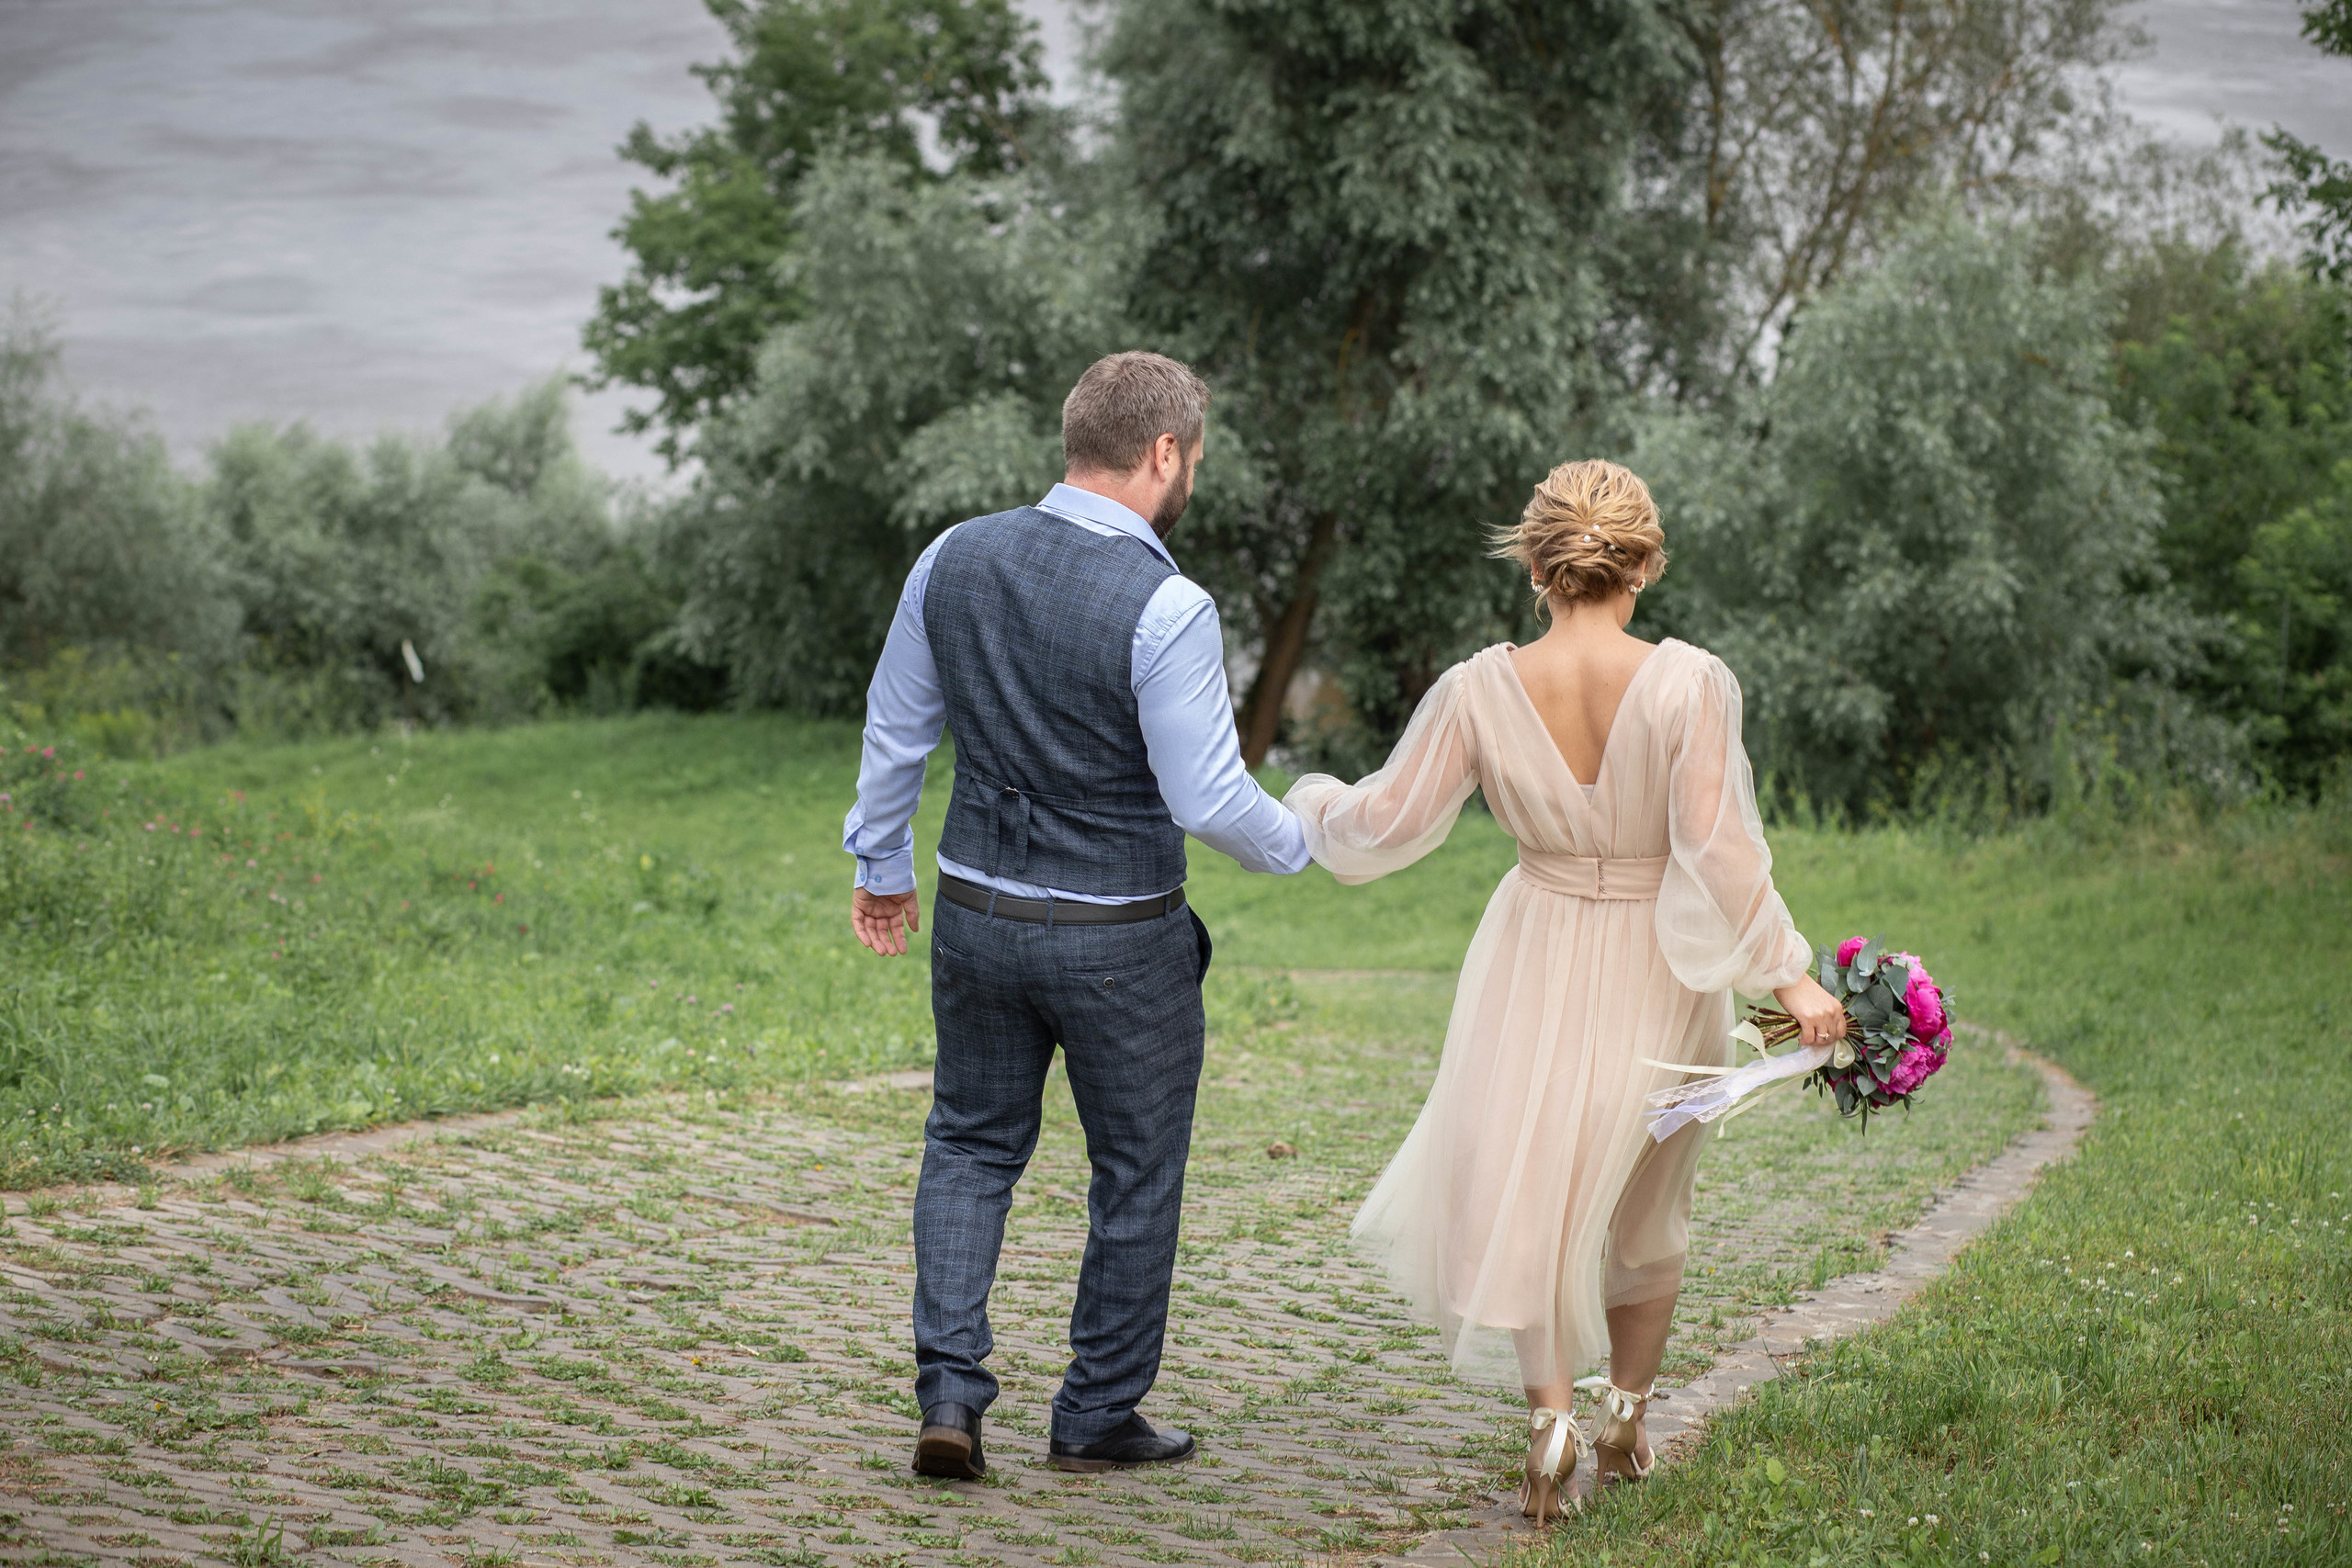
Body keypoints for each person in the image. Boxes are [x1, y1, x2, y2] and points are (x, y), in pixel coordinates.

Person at [1282, 459, 1848, 1520]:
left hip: (1530, 951)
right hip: (1658, 967)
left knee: (1533, 1187)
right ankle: (1625, 1417)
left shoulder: (1476, 689)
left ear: (1535, 567)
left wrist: (1304, 810)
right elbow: (1719, 852)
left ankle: (1549, 1432)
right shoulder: (1690, 682)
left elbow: (1390, 820)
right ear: (1644, 564)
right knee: (1647, 1205)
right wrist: (1791, 975)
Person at [844, 351, 1310, 1480]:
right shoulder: (1169, 605)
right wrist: (1307, 841)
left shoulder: (950, 556)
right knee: (1134, 1172)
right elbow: (1208, 798)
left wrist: (882, 865)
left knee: (968, 1145)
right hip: (1120, 941)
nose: (1189, 478)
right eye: (1192, 461)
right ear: (1163, 453)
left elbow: (897, 728)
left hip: (975, 914)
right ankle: (1095, 1413)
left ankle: (949, 1397)